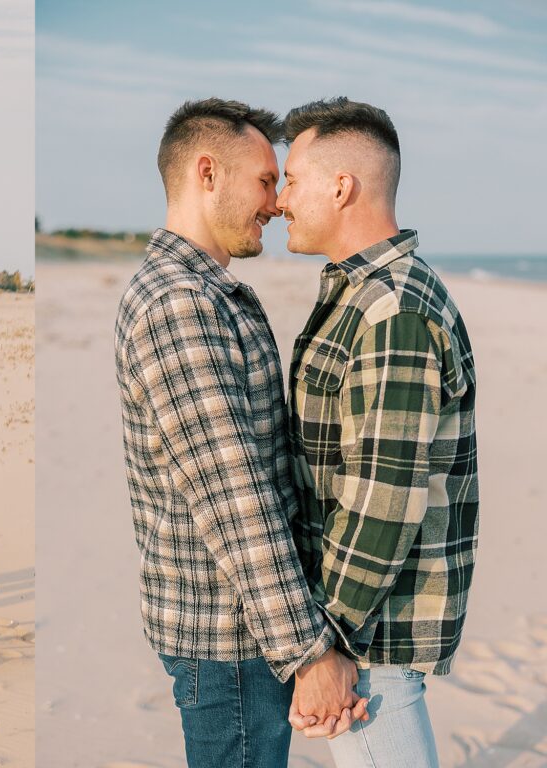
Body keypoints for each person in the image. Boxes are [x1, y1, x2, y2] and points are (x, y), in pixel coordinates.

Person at [114, 98, 366, 768]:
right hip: (232, 638)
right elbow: (233, 496)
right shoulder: (180, 304)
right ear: (206, 174)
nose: (276, 202)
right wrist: (309, 654)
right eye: (264, 180)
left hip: (242, 629)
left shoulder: (202, 291)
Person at [277, 97, 479, 766]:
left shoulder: (391, 311)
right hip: (360, 629)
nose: (282, 200)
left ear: (342, 187)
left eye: (292, 180)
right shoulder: (362, 296)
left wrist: (324, 646)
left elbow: (382, 502)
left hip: (371, 638)